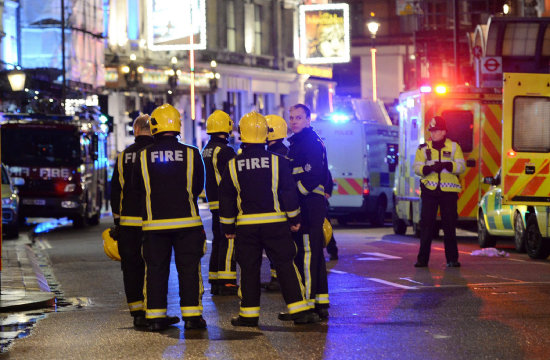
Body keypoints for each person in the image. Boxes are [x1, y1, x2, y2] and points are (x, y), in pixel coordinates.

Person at [219, 112, 318, 327]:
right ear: (265, 134)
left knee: (249, 269)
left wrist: (227, 225)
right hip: (276, 224)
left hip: (247, 227)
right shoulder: (278, 162)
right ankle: (299, 311)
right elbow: (288, 192)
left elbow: (226, 197)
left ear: (242, 135)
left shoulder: (233, 165)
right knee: (285, 266)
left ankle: (249, 315)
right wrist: (294, 218)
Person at [132, 104, 207, 331]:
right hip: (188, 223)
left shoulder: (143, 156)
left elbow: (137, 188)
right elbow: (197, 187)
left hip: (154, 225)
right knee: (189, 269)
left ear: (155, 126)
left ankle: (155, 317)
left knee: (155, 269)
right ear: (177, 124)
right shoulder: (192, 153)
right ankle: (193, 317)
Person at [110, 114, 159, 328]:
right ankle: (155, 311)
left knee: (131, 268)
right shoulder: (158, 154)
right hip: (154, 222)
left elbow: (115, 191)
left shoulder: (123, 156)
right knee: (155, 266)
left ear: (136, 130)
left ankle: (137, 312)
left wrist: (118, 222)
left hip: (129, 223)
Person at [282, 103, 330, 321]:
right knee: (314, 254)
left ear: (309, 120)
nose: (294, 121)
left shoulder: (309, 142)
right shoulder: (300, 142)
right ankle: (319, 302)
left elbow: (312, 176)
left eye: (299, 118)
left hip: (309, 205)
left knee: (309, 254)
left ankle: (308, 305)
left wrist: (294, 199)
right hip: (310, 204)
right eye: (291, 118)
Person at [413, 115, 465, 268]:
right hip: (429, 191)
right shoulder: (423, 148)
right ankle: (422, 260)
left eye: (436, 131)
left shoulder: (454, 147)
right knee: (426, 226)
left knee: (449, 226)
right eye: (431, 131)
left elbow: (462, 166)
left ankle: (452, 259)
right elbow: (416, 168)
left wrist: (450, 166)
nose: (433, 134)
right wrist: (427, 169)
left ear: (444, 132)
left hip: (448, 192)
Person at [201, 110, 238, 296]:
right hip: (226, 202)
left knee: (218, 240)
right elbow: (234, 177)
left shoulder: (206, 149)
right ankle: (226, 280)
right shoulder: (225, 151)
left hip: (213, 201)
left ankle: (215, 278)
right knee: (229, 240)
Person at [261, 114, 289, 292]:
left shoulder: (274, 154)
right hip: (280, 206)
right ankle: (276, 277)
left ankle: (278, 279)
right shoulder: (285, 151)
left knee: (276, 246)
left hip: (276, 206)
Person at [324, 170, 339, 261]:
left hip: (321, 203)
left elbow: (328, 179)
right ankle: (333, 251)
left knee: (326, 229)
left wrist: (328, 193)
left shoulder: (319, 163)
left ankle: (333, 251)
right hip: (318, 202)